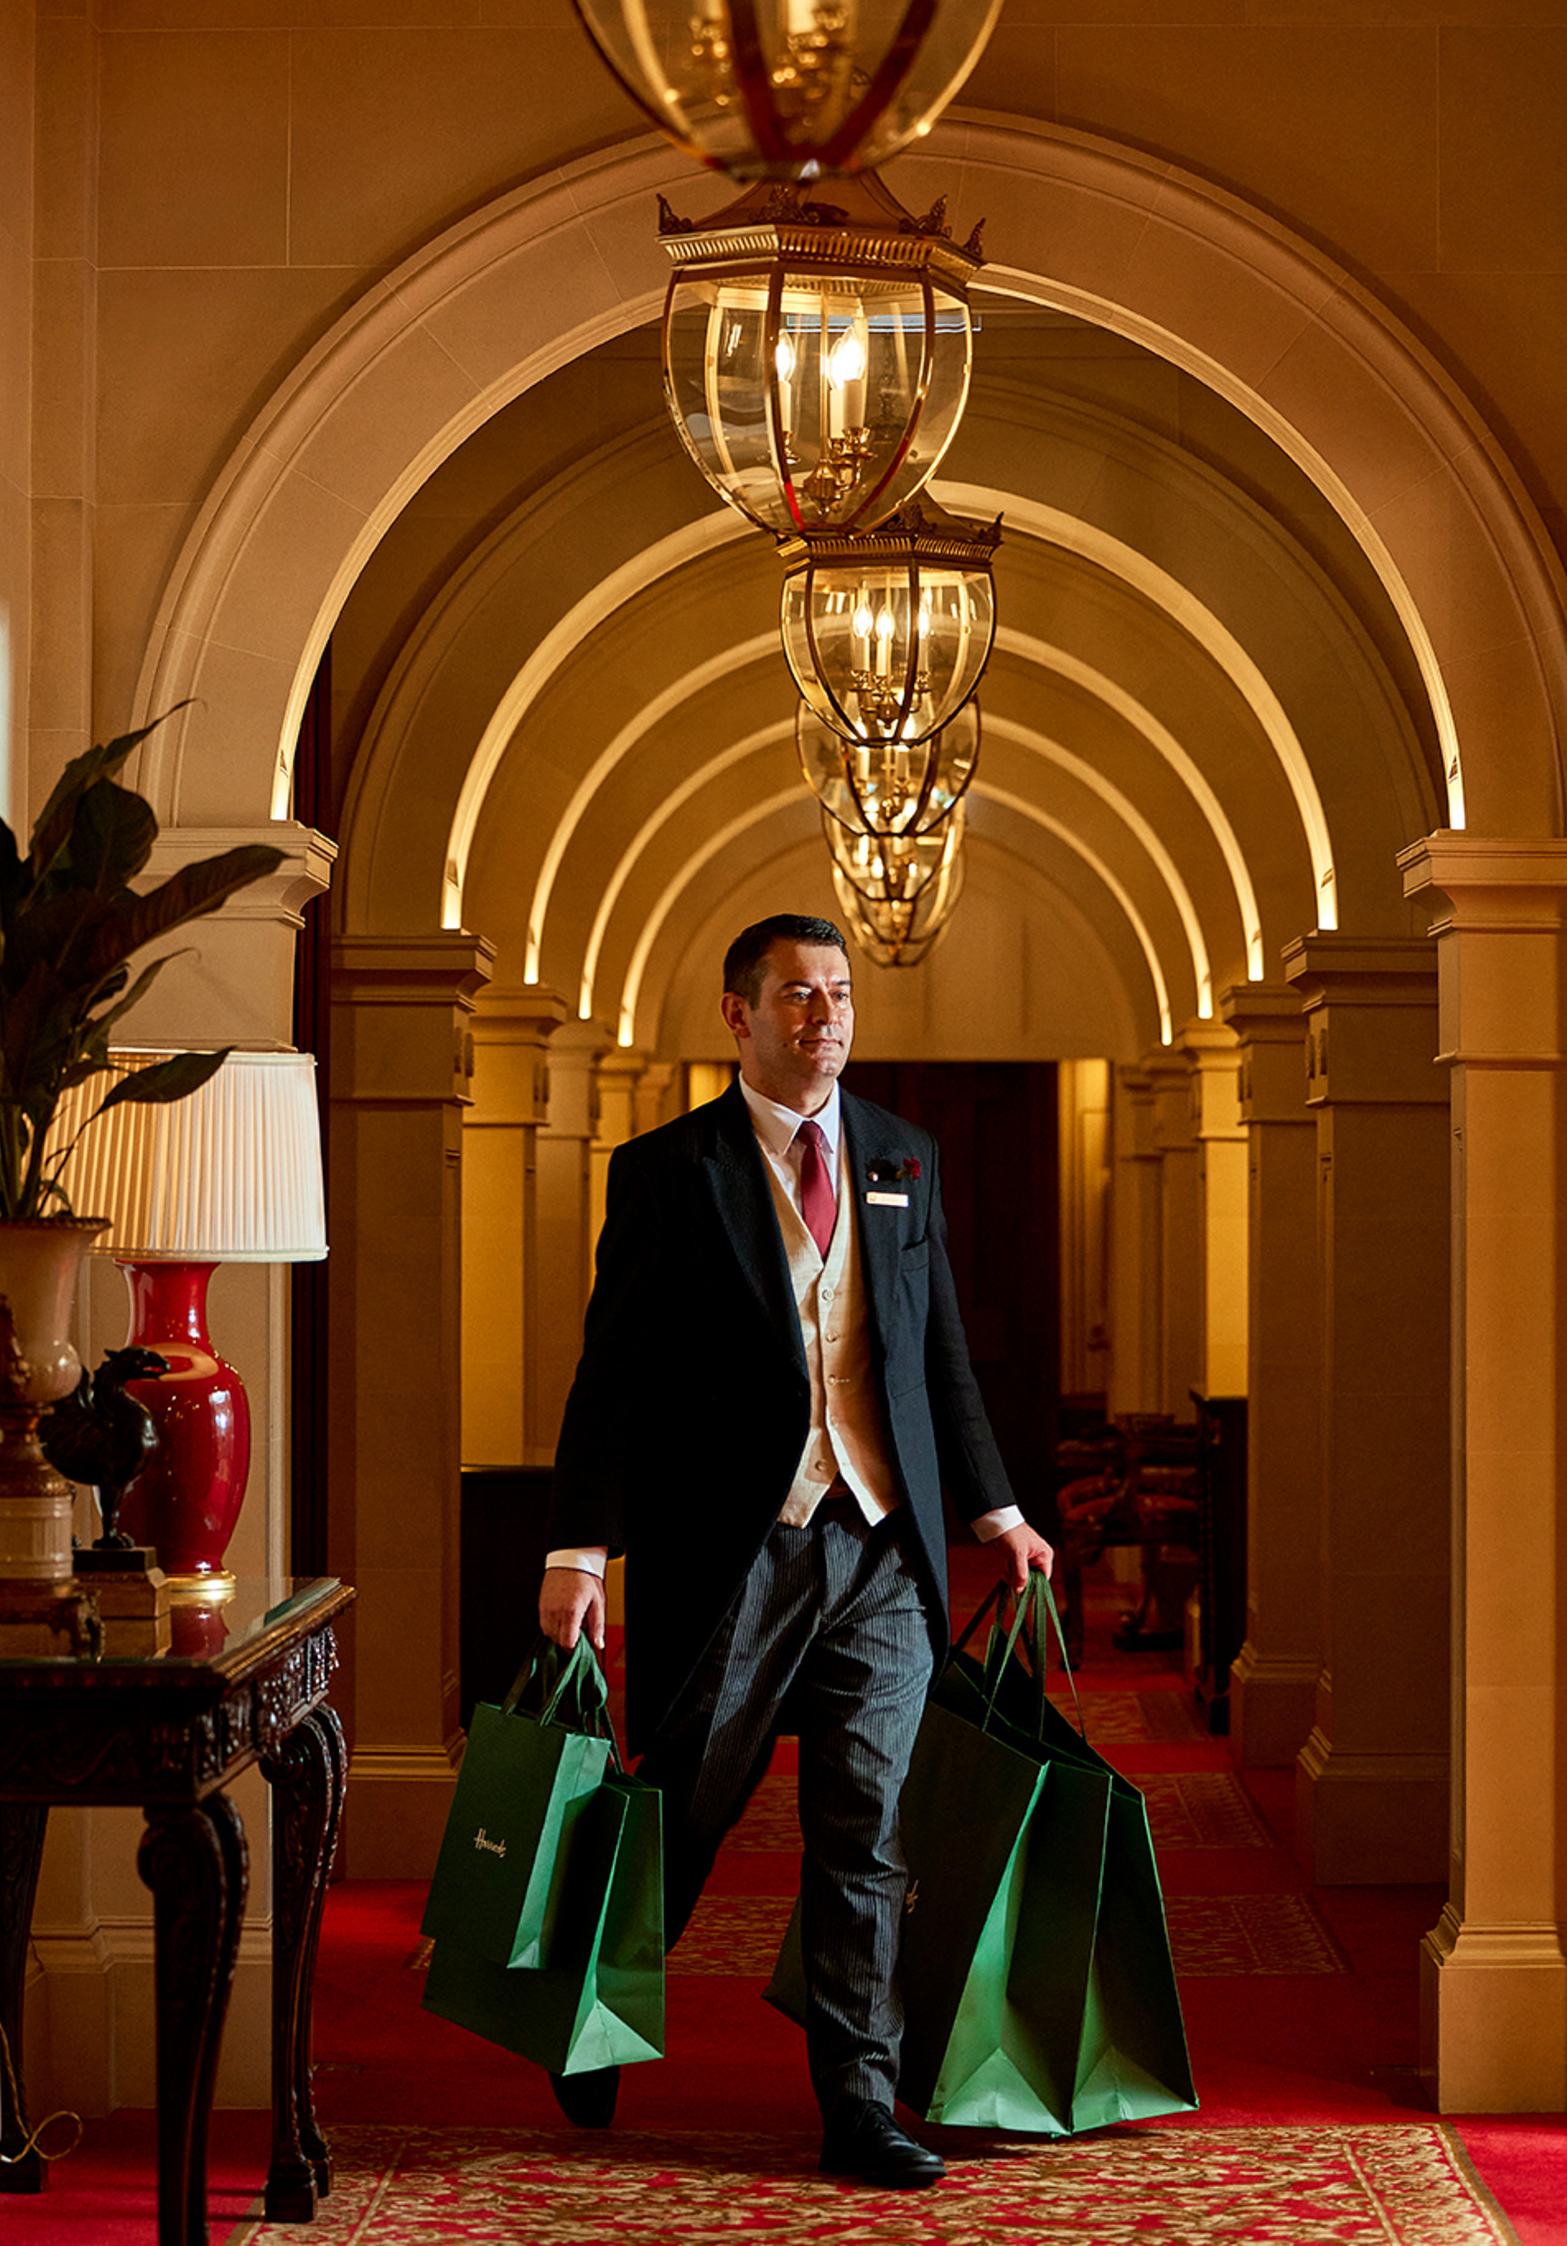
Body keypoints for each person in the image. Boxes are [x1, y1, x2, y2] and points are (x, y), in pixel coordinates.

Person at [539, 912, 1053, 2190]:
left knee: (866, 1830)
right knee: (687, 1809)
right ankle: (593, 2013)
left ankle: (858, 2107)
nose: (825, 1016)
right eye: (797, 996)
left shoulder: (902, 1157)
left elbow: (937, 1358)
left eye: (840, 994)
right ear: (739, 1016)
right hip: (738, 1549)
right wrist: (580, 1550)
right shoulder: (667, 1171)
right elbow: (615, 1373)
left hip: (881, 1548)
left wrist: (996, 1512)